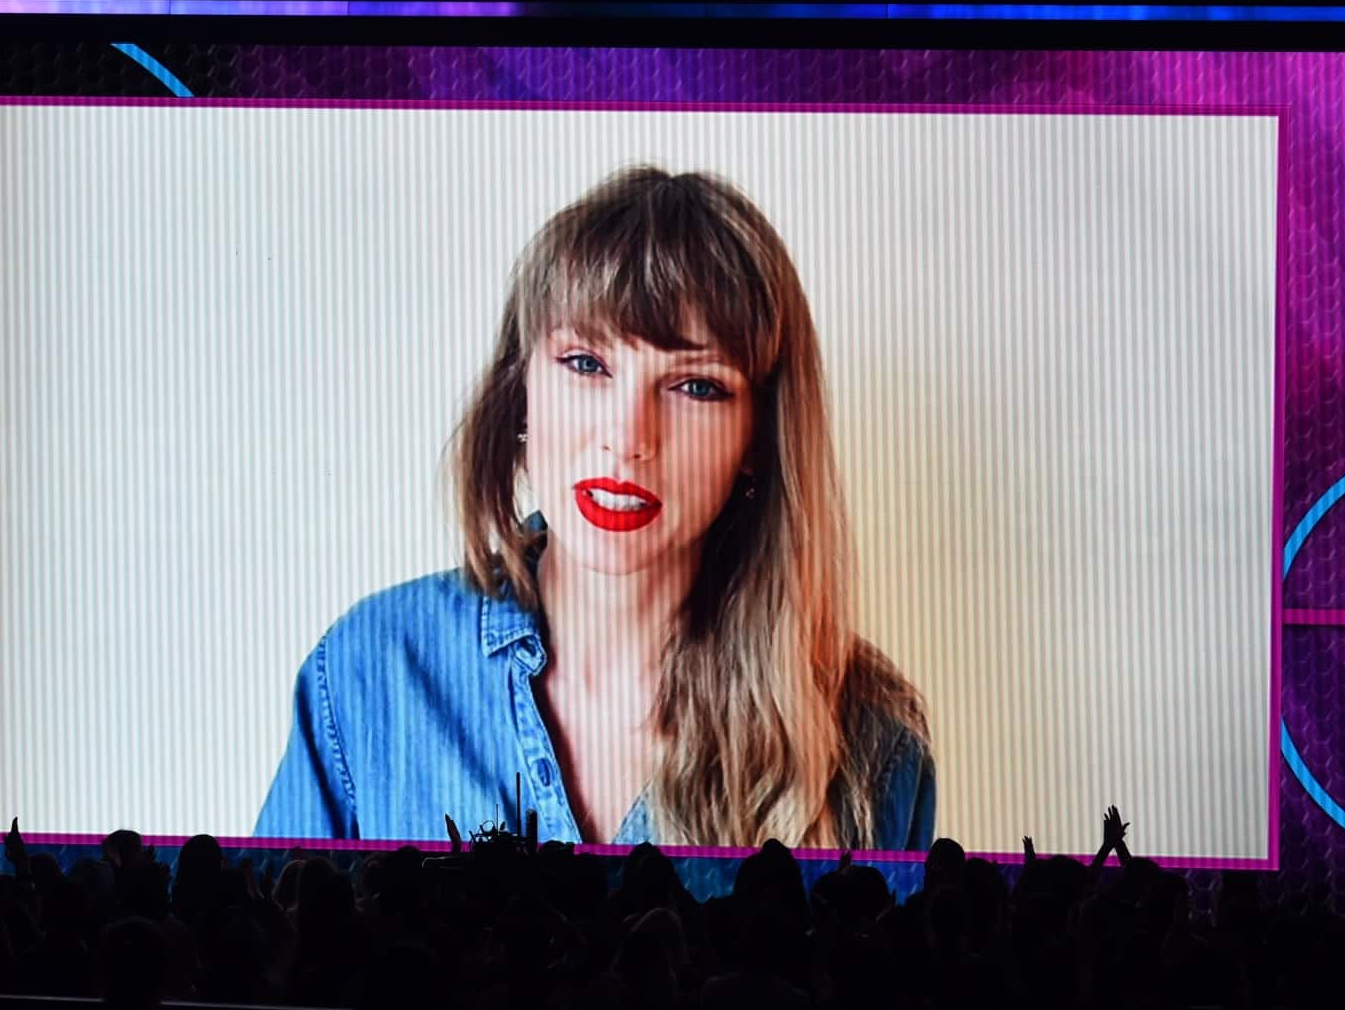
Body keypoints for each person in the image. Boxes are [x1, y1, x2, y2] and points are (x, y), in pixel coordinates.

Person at [257, 165, 934, 850]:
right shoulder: (369, 672)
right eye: (586, 364)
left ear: (758, 441)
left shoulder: (871, 738)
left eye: (696, 387)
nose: (628, 438)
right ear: (520, 393)